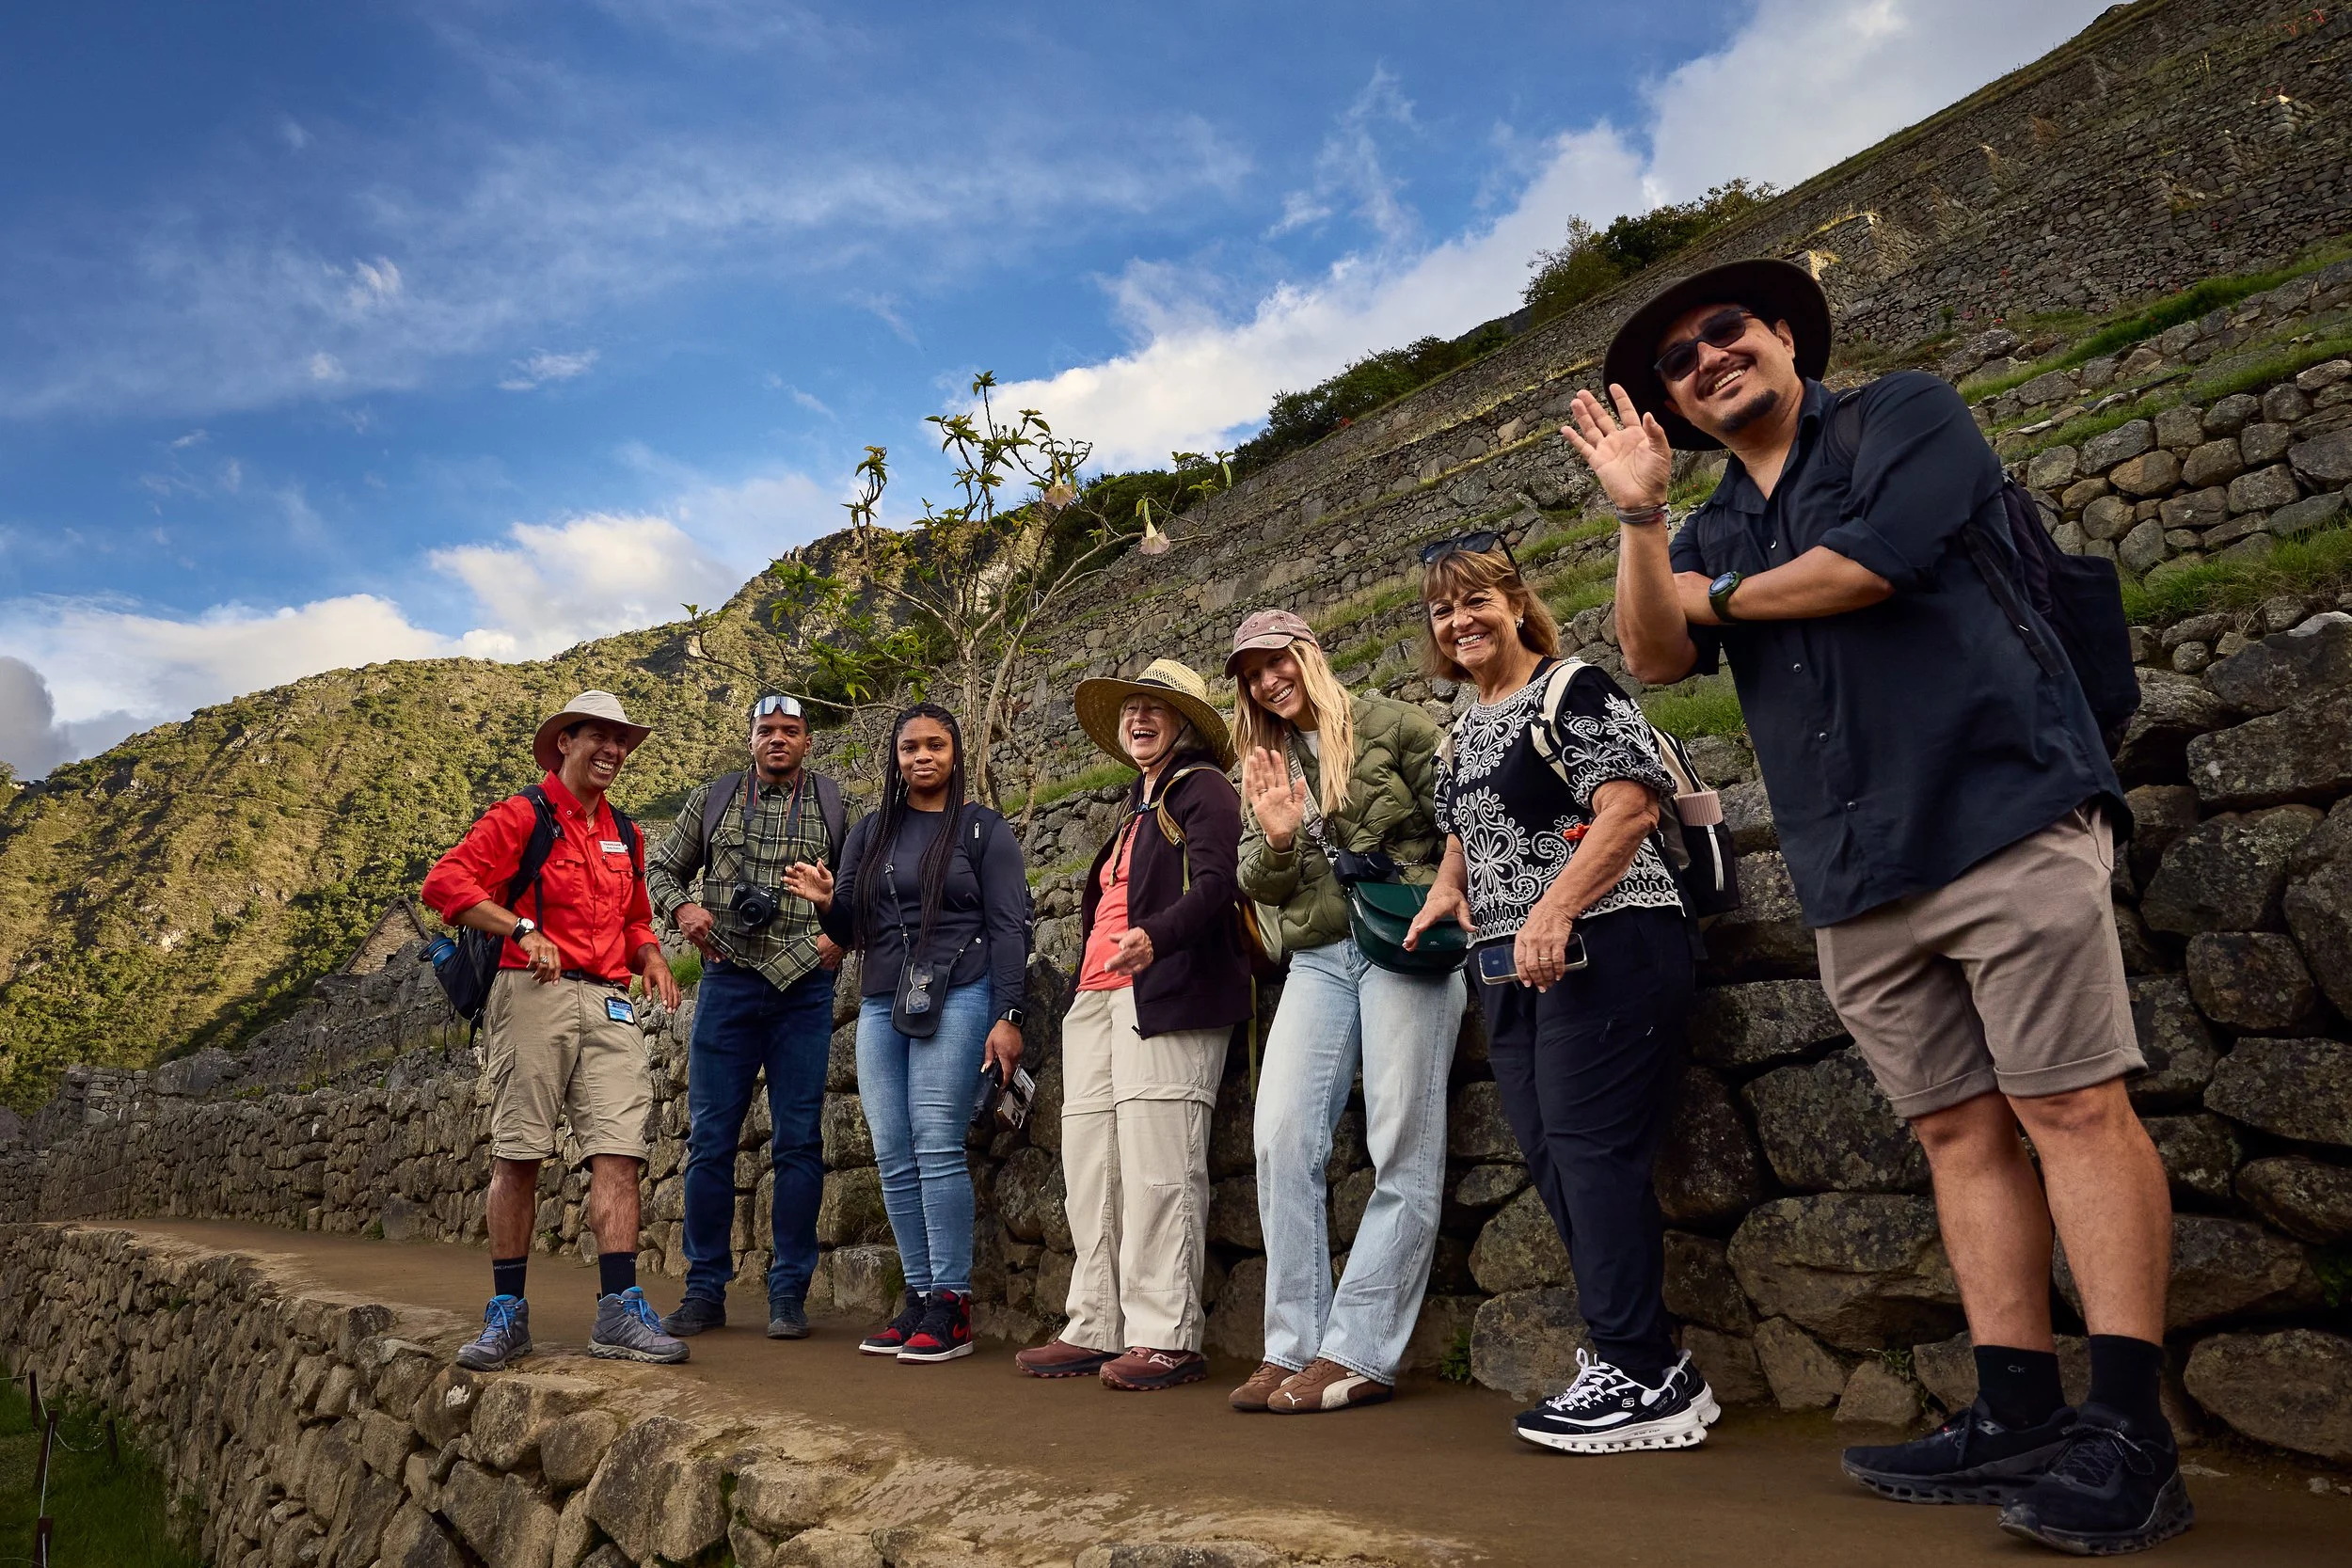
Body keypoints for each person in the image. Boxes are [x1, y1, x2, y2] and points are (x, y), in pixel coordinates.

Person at [1572, 257, 2183, 1555]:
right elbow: (1654, 653)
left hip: (2000, 805)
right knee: (1958, 1132)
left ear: (1784, 335)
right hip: (1855, 861)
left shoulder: (1906, 414)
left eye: (1724, 332)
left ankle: (2131, 1426)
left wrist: (1715, 591)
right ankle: (2016, 1403)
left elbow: (1872, 565)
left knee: (2071, 1101)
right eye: (1678, 363)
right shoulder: (1714, 519)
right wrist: (1640, 527)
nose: (1706, 360)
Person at [1403, 535, 1716, 1454]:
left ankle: (1638, 1371)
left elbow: (1628, 805)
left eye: (1476, 601)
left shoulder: (1572, 688)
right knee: (1552, 1157)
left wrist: (1554, 907)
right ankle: (1650, 1362)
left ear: (1516, 602)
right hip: (1509, 965)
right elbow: (1465, 829)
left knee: (1588, 1152)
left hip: (1610, 942)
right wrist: (1443, 889)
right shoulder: (1463, 724)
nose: (1458, 621)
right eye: (1440, 609)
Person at [1226, 609, 1466, 1414]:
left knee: (1401, 1132)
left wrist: (1447, 892)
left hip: (1406, 937)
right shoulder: (1264, 763)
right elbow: (1256, 880)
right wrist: (1282, 836)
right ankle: (1290, 1343)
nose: (1267, 680)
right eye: (1252, 673)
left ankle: (1358, 1347)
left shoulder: (1393, 722)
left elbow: (1461, 819)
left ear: (1309, 654)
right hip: (1322, 955)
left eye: (1275, 661)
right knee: (1280, 1133)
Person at [421, 689, 688, 1370]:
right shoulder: (522, 815)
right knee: (519, 1150)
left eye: (622, 740)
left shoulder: (626, 832)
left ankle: (619, 1308)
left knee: (620, 1151)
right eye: (599, 735)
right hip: (530, 994)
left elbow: (632, 918)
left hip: (608, 1001)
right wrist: (522, 926)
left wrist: (651, 954)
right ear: (564, 741)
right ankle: (506, 1311)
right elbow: (444, 883)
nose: (613, 750)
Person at [1013, 658, 1253, 1392]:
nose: (1139, 718)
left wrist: (1158, 937)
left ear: (1184, 723)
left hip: (1167, 984)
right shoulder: (1135, 808)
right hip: (1098, 994)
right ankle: (1094, 1322)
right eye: (1130, 710)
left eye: (1156, 708)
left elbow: (1218, 882)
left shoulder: (1204, 789)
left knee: (1158, 1163)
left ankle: (1166, 1333)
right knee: (1092, 1164)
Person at [781, 703, 1029, 1364]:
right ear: (895, 757)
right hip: (886, 995)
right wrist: (827, 900)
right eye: (910, 747)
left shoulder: (983, 831)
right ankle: (918, 1295)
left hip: (963, 986)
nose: (921, 756)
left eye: (935, 745)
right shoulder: (872, 832)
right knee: (891, 1148)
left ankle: (952, 1302)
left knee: (935, 1141)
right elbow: (851, 931)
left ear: (955, 752)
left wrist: (1010, 1014)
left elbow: (1010, 927)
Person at [644, 693, 851, 1343]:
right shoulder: (713, 799)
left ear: (808, 741)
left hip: (804, 990)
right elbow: (659, 867)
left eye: (791, 730)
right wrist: (682, 911)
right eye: (767, 730)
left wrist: (838, 936)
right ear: (750, 737)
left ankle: (788, 1291)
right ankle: (704, 1288)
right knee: (708, 1141)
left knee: (799, 1142)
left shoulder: (835, 805)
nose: (778, 740)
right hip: (727, 982)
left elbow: (867, 885)